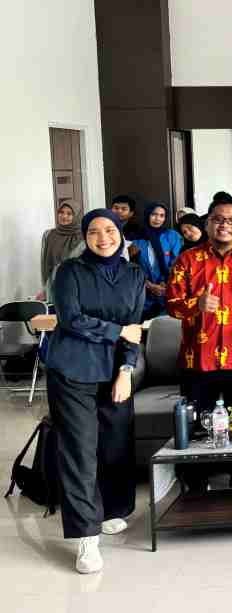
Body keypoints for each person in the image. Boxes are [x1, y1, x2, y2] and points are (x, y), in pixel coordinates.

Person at [45, 208, 145, 573]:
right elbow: (71, 319)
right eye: (94, 232)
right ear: (85, 237)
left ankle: (113, 509)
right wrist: (115, 332)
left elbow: (134, 325)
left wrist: (126, 370)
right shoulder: (69, 271)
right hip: (73, 369)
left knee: (115, 442)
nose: (103, 238)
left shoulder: (134, 274)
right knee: (80, 450)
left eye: (110, 230)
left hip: (113, 370)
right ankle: (86, 537)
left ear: (120, 233)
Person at [166, 199, 232, 491]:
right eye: (218, 219)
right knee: (198, 423)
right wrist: (195, 305)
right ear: (208, 223)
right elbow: (171, 304)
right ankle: (197, 481)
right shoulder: (187, 260)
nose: (224, 225)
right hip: (198, 358)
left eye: (231, 220)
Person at [131, 202, 182, 319]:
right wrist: (149, 285)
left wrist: (166, 283)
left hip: (167, 291)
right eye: (154, 214)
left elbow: (177, 263)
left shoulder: (172, 236)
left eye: (162, 215)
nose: (158, 219)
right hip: (143, 293)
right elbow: (131, 267)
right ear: (147, 215)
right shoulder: (135, 239)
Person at [40, 200, 84, 298]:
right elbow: (44, 263)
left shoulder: (82, 237)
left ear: (76, 216)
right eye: (61, 212)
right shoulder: (49, 235)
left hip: (76, 286)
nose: (64, 216)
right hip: (52, 285)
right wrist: (44, 288)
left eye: (69, 214)